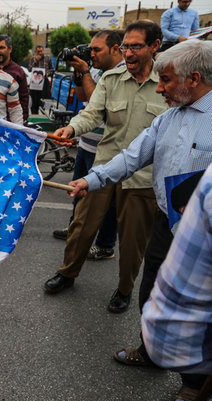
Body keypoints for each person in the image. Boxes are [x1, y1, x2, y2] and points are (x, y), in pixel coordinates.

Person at [66, 39, 212, 401]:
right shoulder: (167, 118)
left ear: (193, 79)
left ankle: (195, 384)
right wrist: (90, 180)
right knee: (153, 291)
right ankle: (151, 350)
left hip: (205, 236)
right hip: (167, 223)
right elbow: (131, 157)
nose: (158, 87)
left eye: (165, 80)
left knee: (198, 310)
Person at [43, 20, 168, 314]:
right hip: (102, 170)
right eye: (125, 46)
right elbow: (91, 114)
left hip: (142, 179)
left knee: (133, 240)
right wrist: (71, 129)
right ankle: (67, 273)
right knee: (81, 227)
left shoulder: (167, 82)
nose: (128, 53)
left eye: (135, 46)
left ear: (155, 46)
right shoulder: (111, 79)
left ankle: (124, 289)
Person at [142, 166, 212, 401]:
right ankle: (146, 354)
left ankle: (193, 383)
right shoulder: (163, 124)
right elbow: (139, 150)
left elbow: (169, 330)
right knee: (150, 275)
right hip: (166, 215)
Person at [52, 30, 124, 262]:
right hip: (87, 143)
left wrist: (84, 71)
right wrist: (79, 72)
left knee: (107, 201)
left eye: (96, 50)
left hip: (106, 147)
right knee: (78, 192)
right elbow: (84, 98)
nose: (91, 54)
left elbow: (99, 105)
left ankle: (105, 245)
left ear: (115, 49)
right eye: (90, 49)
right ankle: (75, 228)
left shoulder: (121, 75)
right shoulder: (95, 70)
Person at [0, 34, 29, 122]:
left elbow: (24, 98)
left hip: (11, 123)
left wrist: (23, 121)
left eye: (2, 47)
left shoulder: (18, 72)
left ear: (10, 49)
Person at [27, 45, 54, 115]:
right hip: (35, 83)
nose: (40, 53)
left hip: (44, 82)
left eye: (41, 51)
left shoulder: (48, 58)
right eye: (38, 51)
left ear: (43, 51)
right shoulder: (33, 59)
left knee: (45, 101)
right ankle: (34, 117)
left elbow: (52, 69)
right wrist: (35, 61)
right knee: (34, 102)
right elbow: (29, 69)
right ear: (36, 52)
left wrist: (48, 73)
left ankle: (44, 116)